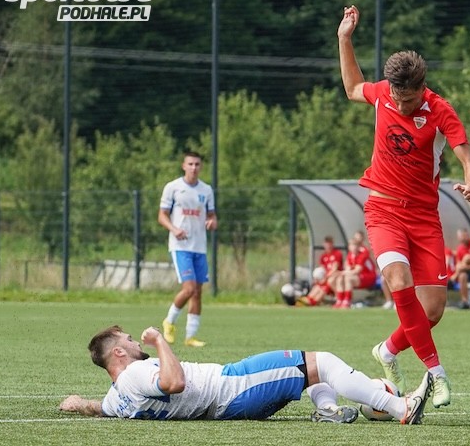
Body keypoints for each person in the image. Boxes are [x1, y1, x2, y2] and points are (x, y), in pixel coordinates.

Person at [338, 5, 470, 408]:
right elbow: (353, 88)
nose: (401, 106)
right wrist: (344, 38)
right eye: (397, 99)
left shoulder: (441, 111)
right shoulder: (383, 94)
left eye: (409, 100)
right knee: (398, 281)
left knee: (432, 310)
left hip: (423, 217)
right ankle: (436, 373)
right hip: (383, 210)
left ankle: (386, 350)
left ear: (422, 87)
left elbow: (468, 158)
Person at [59, 325, 434, 425]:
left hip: (230, 402)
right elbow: (174, 382)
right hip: (234, 386)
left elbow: (102, 408)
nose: (133, 342)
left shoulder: (117, 397)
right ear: (119, 353)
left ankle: (327, 410)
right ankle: (400, 407)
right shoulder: (136, 373)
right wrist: (159, 341)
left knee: (313, 373)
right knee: (325, 361)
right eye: (127, 340)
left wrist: (79, 404)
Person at [158, 151, 217, 348]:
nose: (194, 167)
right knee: (189, 289)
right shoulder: (173, 187)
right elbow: (162, 215)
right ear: (184, 166)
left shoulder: (206, 190)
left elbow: (212, 215)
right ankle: (169, 321)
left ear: (201, 167)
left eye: (197, 164)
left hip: (199, 247)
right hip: (181, 246)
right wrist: (174, 229)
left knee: (197, 292)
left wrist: (212, 222)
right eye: (190, 164)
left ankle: (190, 337)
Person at [334, 231, 378, 309]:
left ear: (358, 246)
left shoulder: (363, 253)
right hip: (358, 276)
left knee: (348, 278)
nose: (353, 247)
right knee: (340, 278)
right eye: (351, 245)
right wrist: (342, 273)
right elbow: (348, 268)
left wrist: (342, 272)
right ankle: (339, 300)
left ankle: (347, 301)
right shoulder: (350, 255)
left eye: (354, 245)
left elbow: (357, 270)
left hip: (368, 276)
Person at [296, 236, 344, 306]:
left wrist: (325, 278)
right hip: (326, 278)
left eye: (329, 244)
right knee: (318, 286)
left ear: (332, 244)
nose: (328, 246)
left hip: (334, 278)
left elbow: (335, 269)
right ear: (324, 244)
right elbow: (322, 269)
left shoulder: (337, 254)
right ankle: (308, 299)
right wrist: (318, 278)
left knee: (325, 286)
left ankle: (313, 302)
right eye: (326, 244)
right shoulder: (323, 256)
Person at [450, 228, 470, 310]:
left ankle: (453, 277)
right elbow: (458, 265)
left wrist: (467, 267)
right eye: (460, 237)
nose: (462, 238)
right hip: (467, 272)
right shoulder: (459, 249)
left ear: (467, 235)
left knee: (467, 257)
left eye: (463, 236)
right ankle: (465, 301)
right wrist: (465, 268)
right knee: (462, 276)